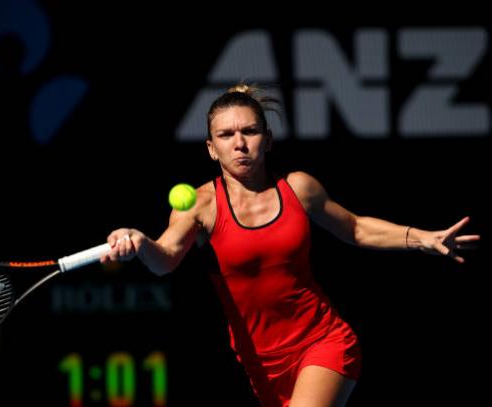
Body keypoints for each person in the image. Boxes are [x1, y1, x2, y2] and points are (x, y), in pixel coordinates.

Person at [100, 84, 480, 407]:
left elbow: (356, 228)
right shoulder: (201, 205)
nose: (240, 144)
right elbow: (164, 258)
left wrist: (421, 238)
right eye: (226, 136)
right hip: (261, 364)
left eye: (249, 132)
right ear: (211, 148)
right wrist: (138, 242)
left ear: (267, 139)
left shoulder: (299, 188)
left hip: (324, 341)